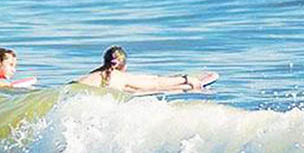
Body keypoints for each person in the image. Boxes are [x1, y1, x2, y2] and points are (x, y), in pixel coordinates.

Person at [74, 45, 216, 93]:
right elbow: (155, 83)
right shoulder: (120, 77)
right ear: (124, 66)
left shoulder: (92, 76)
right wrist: (186, 80)